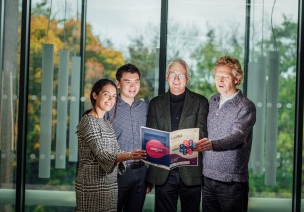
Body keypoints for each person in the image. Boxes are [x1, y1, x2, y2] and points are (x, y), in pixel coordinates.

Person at [146, 58, 209, 212]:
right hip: (163, 173)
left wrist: (179, 141)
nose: (176, 79)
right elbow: (151, 138)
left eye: (180, 75)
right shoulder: (155, 103)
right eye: (172, 74)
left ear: (187, 78)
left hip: (191, 172)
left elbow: (203, 133)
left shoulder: (201, 102)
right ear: (167, 77)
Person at [195, 55, 256, 212]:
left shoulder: (245, 106)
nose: (220, 81)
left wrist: (212, 145)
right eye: (217, 76)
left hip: (232, 182)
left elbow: (238, 136)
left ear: (236, 79)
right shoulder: (212, 101)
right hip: (207, 177)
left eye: (225, 77)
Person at [75, 78, 146, 212]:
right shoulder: (88, 121)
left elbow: (116, 149)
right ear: (95, 95)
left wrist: (132, 153)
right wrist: (130, 155)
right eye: (106, 94)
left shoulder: (106, 122)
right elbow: (104, 156)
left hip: (109, 186)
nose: (111, 99)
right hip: (92, 186)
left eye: (114, 96)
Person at [106, 64, 149, 212]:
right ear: (117, 83)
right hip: (116, 174)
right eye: (128, 81)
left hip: (141, 173)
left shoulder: (145, 107)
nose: (133, 86)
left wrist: (149, 175)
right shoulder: (108, 107)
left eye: (136, 81)